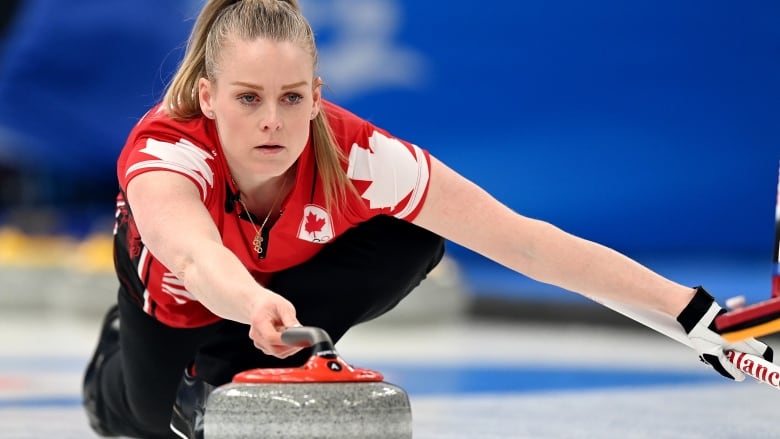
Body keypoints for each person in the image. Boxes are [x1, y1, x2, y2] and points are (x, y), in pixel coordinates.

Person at [82, 1, 773, 438]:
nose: (272, 120)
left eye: (292, 97)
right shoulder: (167, 151)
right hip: (171, 304)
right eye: (248, 97)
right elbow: (198, 259)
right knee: (137, 418)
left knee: (415, 236)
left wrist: (698, 319)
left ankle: (234, 361)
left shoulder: (361, 158)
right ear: (207, 94)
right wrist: (254, 301)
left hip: (270, 300)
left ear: (318, 96)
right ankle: (134, 362)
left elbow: (527, 243)